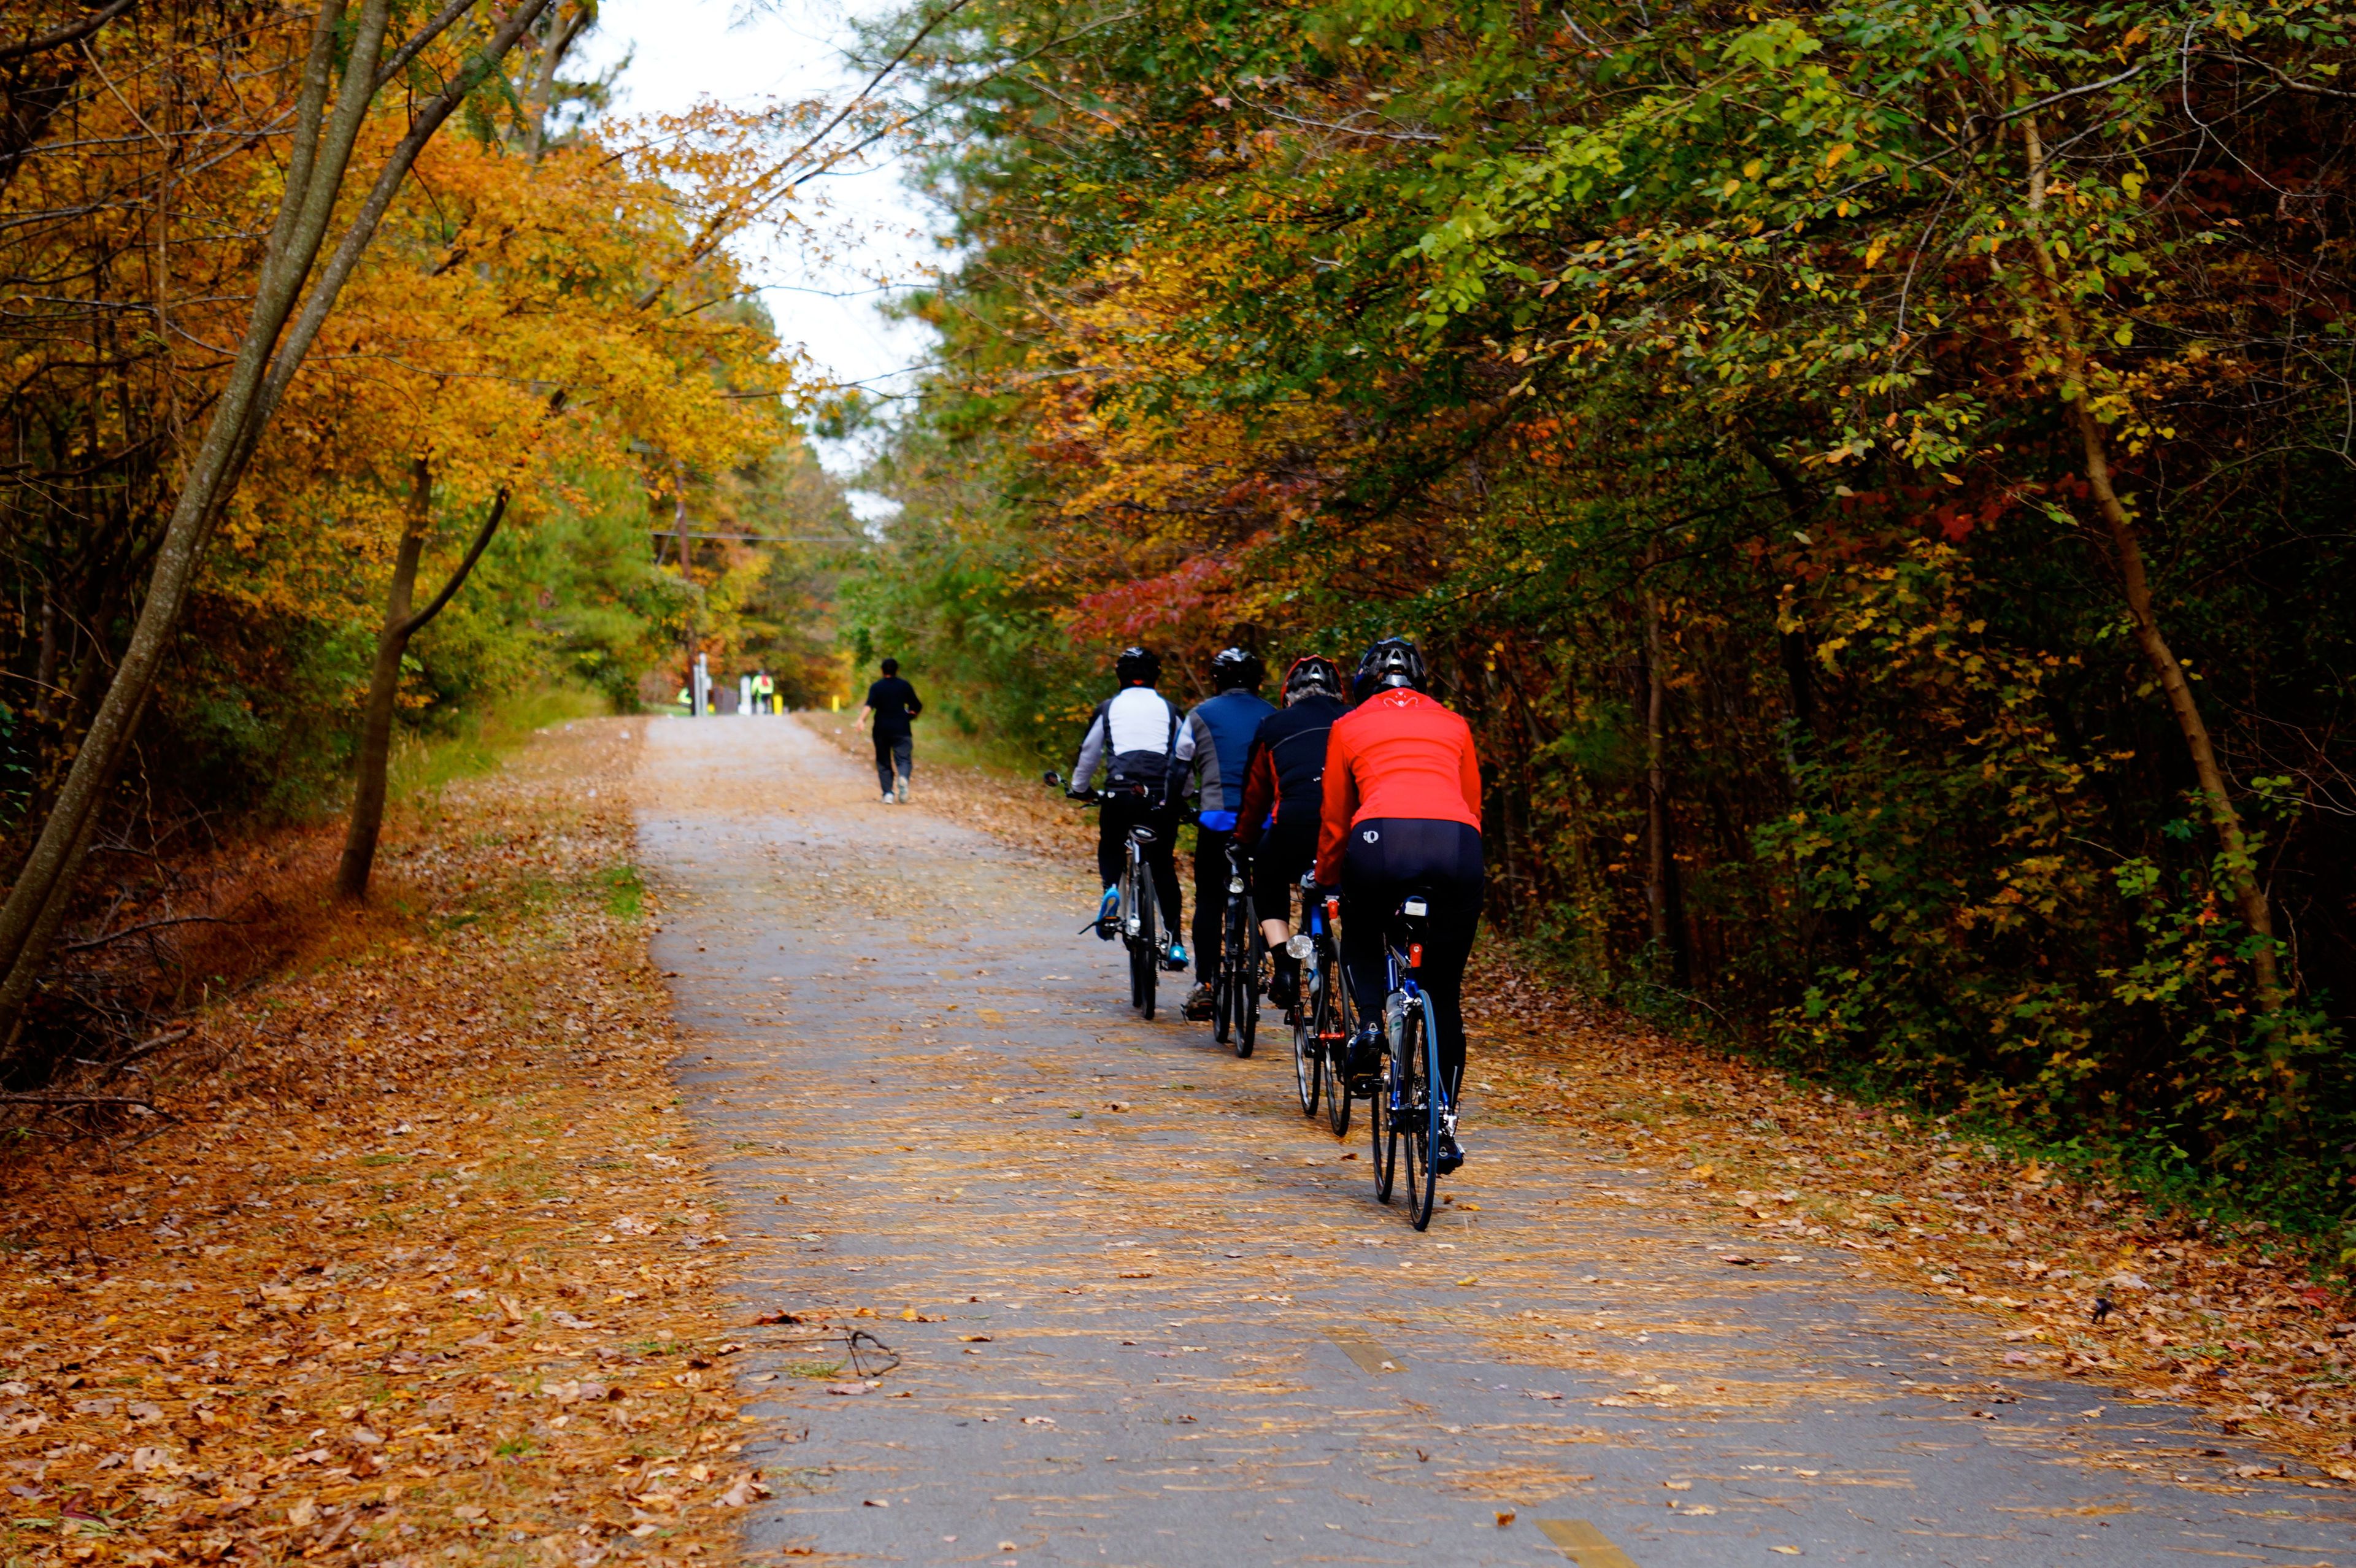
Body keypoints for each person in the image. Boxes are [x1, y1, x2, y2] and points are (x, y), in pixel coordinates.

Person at [1317, 636, 1482, 1174]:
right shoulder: (1456, 724)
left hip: (1379, 840)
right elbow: (1472, 802)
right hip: (1456, 844)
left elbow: (1337, 818)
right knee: (1444, 991)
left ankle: (1368, 1026)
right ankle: (1443, 1124)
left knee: (1362, 935)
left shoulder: (1347, 725)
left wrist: (1327, 880)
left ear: (1366, 683)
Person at [1234, 654, 1348, 1016]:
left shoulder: (1272, 725)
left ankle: (1284, 968)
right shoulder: (1356, 721)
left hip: (1294, 826)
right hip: (1347, 828)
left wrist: (1243, 840)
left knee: (1267, 872)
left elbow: (1255, 796)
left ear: (1288, 694)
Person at [1067, 646, 1193, 968]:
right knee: (1163, 864)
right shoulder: (1172, 710)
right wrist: (1185, 795)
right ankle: (1176, 942)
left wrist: (1079, 789)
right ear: (1156, 676)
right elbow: (1184, 759)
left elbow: (1089, 753)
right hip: (1160, 797)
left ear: (1120, 675)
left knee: (1111, 844)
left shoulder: (1108, 709)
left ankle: (1112, 890)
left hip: (1120, 793)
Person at [1177, 649, 1276, 1020]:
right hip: (1265, 823)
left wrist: (1182, 804)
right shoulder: (1274, 715)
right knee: (1270, 893)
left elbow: (1181, 769)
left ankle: (1204, 983)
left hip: (1217, 819)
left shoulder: (1199, 714)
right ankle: (1271, 964)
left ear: (1216, 680)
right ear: (1258, 681)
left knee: (1209, 898)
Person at [857, 658, 922, 804]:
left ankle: (888, 794)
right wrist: (910, 715)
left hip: (881, 730)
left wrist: (861, 720)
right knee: (904, 759)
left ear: (882, 670)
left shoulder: (876, 687)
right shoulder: (904, 686)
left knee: (883, 761)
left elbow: (869, 706)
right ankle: (903, 777)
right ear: (896, 670)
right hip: (902, 729)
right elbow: (916, 706)